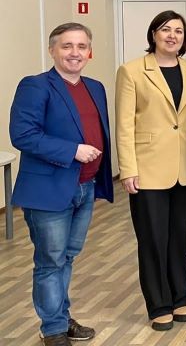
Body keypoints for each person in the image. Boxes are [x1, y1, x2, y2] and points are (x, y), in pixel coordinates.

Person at [10, 23, 113, 346]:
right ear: (52, 50)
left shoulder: (95, 87)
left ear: (89, 52)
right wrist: (72, 151)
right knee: (50, 261)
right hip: (48, 191)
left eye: (81, 46)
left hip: (84, 187)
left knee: (66, 257)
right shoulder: (35, 86)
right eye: (67, 46)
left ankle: (61, 316)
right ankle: (52, 328)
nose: (75, 53)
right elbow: (23, 136)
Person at [115, 10, 186, 331]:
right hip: (147, 167)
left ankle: (180, 297)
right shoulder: (132, 71)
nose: (172, 36)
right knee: (153, 238)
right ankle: (159, 304)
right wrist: (127, 169)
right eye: (166, 29)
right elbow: (124, 125)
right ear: (153, 34)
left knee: (179, 237)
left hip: (185, 166)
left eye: (178, 31)